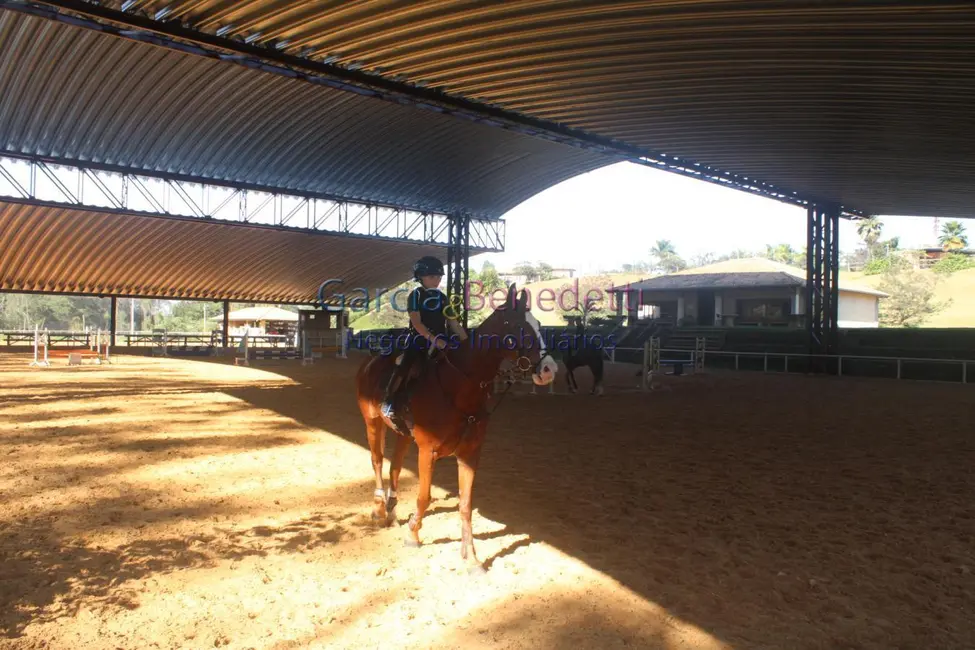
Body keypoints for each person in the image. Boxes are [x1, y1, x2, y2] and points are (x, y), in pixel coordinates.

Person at [380, 255, 468, 434]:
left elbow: (453, 323)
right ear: (421, 278)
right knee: (407, 365)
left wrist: (467, 343)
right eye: (432, 277)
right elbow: (417, 323)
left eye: (439, 277)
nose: (436, 280)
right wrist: (435, 340)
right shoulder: (416, 295)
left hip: (443, 341)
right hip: (419, 340)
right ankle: (389, 404)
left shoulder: (443, 298)